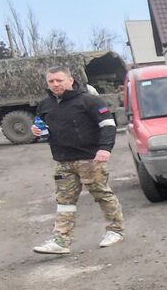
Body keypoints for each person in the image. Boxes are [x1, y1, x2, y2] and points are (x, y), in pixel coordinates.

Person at [32, 67, 124, 255]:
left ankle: (115, 231)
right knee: (64, 201)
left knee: (102, 194)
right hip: (62, 161)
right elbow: (42, 128)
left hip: (90, 159)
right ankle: (61, 240)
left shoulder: (89, 100)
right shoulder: (45, 105)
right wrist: (36, 131)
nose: (55, 84)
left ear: (70, 80)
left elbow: (108, 125)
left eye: (59, 80)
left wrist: (105, 149)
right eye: (51, 81)